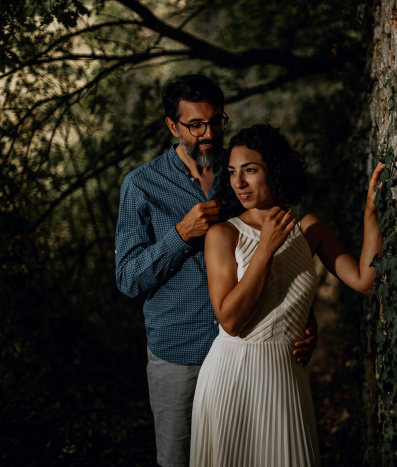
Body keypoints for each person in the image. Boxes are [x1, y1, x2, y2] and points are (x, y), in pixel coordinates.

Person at [115, 75, 318, 467]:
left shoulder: (243, 169)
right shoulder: (141, 186)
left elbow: (285, 251)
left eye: (216, 121)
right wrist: (179, 235)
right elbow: (127, 279)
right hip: (181, 355)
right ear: (172, 126)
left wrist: (304, 320)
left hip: (252, 357)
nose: (209, 134)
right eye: (196, 125)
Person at [189, 124, 385, 466]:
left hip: (286, 374)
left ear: (275, 170)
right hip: (232, 375)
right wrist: (263, 250)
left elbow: (365, 280)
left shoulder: (311, 230)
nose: (238, 183)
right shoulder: (223, 235)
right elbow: (231, 320)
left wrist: (371, 214)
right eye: (233, 172)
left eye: (250, 170)